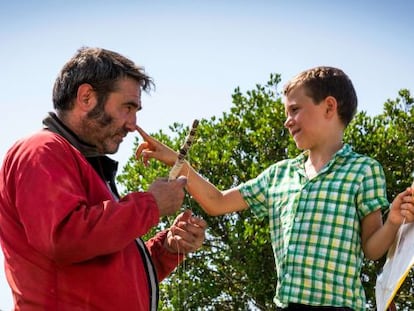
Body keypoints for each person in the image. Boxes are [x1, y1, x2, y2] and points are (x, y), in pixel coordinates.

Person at [135, 66, 414, 311]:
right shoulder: (279, 175)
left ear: (330, 107)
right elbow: (217, 201)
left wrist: (392, 222)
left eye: (295, 110)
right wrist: (177, 159)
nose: (287, 120)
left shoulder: (363, 170)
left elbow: (371, 248)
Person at [0, 47, 207, 311]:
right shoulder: (41, 150)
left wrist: (166, 248)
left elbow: (111, 273)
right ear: (86, 97)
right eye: (127, 107)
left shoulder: (80, 161)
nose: (133, 124)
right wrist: (150, 205)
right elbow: (63, 238)